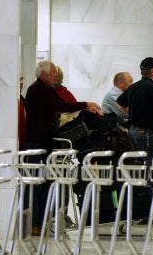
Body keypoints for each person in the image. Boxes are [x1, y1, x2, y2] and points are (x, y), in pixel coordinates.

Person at [25, 60, 101, 234]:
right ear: (43, 73)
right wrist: (85, 104)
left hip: (46, 143)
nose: (55, 75)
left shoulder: (46, 89)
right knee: (37, 184)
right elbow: (60, 106)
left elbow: (61, 104)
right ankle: (34, 223)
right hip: (37, 144)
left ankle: (42, 222)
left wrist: (85, 107)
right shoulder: (37, 89)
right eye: (53, 72)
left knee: (46, 183)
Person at [117, 57, 153, 166]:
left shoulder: (133, 87)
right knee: (152, 166)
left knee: (137, 166)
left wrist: (132, 113)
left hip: (133, 132)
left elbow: (120, 102)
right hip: (146, 135)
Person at [19, 74, 26, 150]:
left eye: (22, 79)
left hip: (22, 142)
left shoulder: (22, 100)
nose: (21, 82)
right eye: (19, 80)